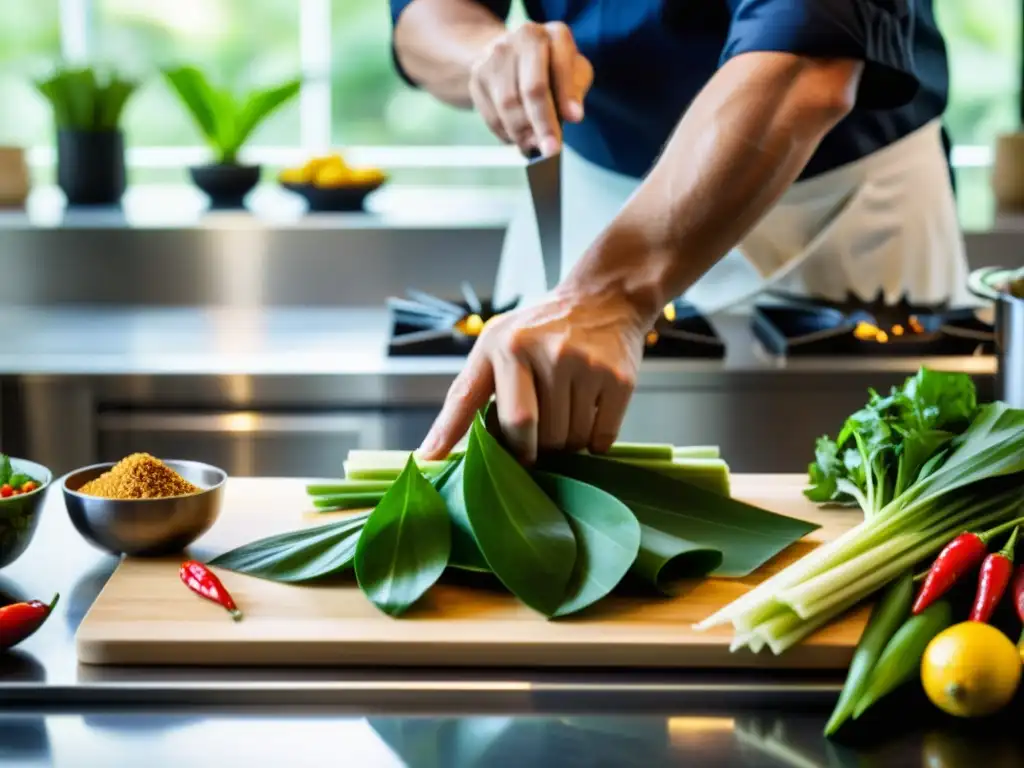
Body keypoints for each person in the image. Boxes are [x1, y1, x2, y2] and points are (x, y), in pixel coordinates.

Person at [391, 0, 967, 464]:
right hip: (587, 209)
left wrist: (608, 293)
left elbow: (808, 56)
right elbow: (426, 16)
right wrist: (487, 57)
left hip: (839, 220)